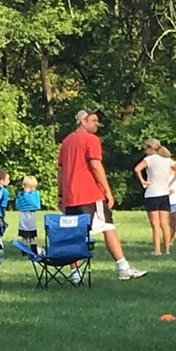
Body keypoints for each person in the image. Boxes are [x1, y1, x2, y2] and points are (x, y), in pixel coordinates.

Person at [57, 109, 147, 281]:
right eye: (94, 120)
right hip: (89, 194)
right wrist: (107, 190)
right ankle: (123, 267)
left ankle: (75, 274)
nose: (96, 124)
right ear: (83, 121)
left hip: (70, 196)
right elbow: (96, 166)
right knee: (108, 227)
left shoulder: (66, 141)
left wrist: (61, 194)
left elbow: (60, 170)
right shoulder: (91, 139)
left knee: (74, 234)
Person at [134, 138, 176, 255]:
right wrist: (170, 182)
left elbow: (137, 169)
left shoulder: (149, 159)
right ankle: (167, 250)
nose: (145, 151)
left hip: (152, 193)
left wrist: (143, 181)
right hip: (164, 194)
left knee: (155, 224)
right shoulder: (167, 159)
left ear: (151, 148)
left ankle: (157, 250)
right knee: (165, 223)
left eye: (146, 148)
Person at [160, 146, 176, 246]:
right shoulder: (166, 177)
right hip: (168, 202)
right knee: (170, 223)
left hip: (175, 201)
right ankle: (169, 241)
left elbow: (173, 190)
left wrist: (166, 191)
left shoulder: (175, 178)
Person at [15, 175, 42, 249]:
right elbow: (18, 204)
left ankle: (33, 249)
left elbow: (35, 204)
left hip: (31, 215)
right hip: (23, 215)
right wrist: (25, 194)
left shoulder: (35, 194)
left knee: (32, 235)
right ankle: (24, 249)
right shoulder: (21, 194)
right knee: (24, 235)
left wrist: (27, 194)